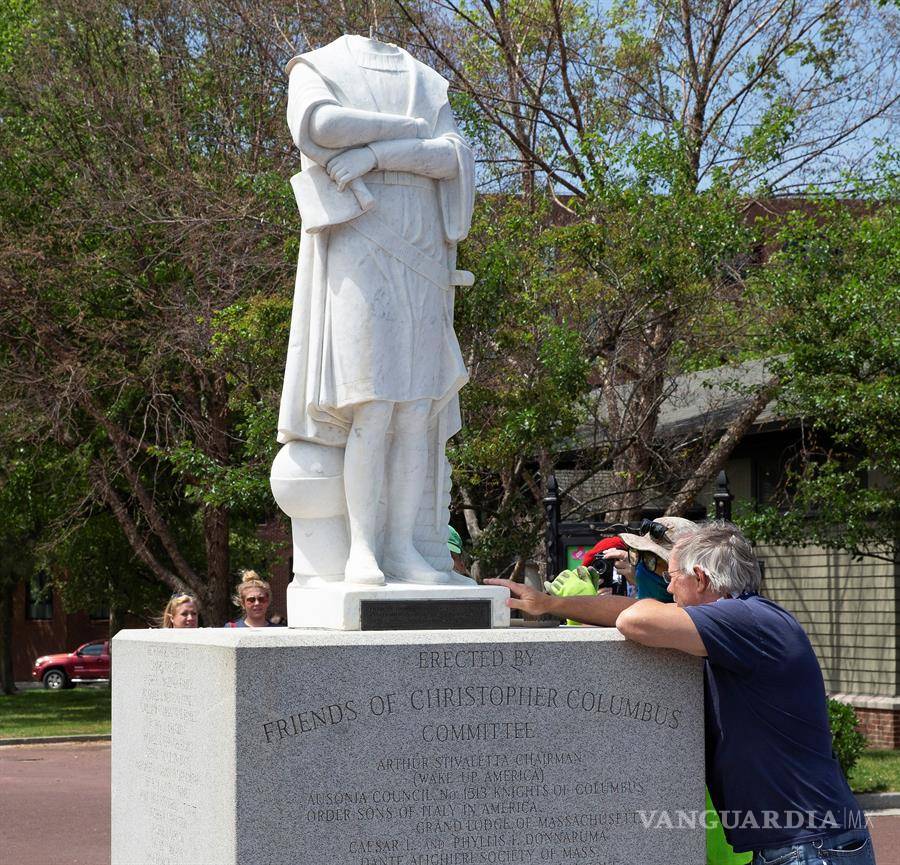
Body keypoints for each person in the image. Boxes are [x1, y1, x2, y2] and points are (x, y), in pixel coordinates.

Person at [277, 34, 474, 586]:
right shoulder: (317, 65)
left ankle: (402, 548)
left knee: (416, 409)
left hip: (423, 242)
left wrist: (374, 154)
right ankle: (362, 549)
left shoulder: (425, 80)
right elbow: (320, 127)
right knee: (373, 404)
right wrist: (407, 132)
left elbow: (452, 156)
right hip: (360, 237)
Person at [615, 523, 872, 863]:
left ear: (700, 578)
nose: (669, 587)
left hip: (810, 845)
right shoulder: (748, 619)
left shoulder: (746, 620)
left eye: (672, 576)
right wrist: (554, 604)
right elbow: (624, 612)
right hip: (800, 841)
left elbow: (633, 619)